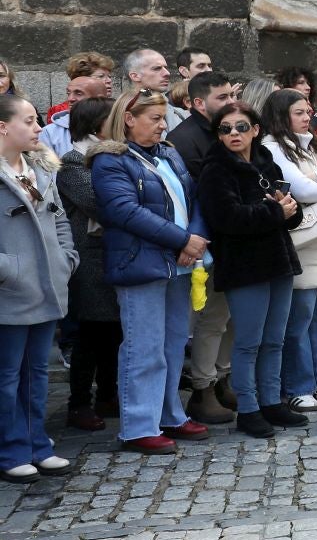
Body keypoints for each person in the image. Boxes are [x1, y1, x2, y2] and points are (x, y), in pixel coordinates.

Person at [91, 90, 208, 455]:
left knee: (173, 343)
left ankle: (170, 413)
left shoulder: (167, 153)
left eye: (163, 118)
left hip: (179, 262)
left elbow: (192, 197)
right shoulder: (110, 160)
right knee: (144, 347)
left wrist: (196, 238)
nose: (163, 124)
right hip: (140, 263)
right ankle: (138, 425)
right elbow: (125, 212)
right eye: (155, 118)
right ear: (129, 118)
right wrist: (182, 240)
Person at [197, 101, 304, 438]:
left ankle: (271, 401)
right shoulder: (215, 170)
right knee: (248, 343)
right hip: (244, 265)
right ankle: (249, 408)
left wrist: (290, 210)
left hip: (278, 260)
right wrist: (276, 213)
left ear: (255, 130)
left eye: (241, 127)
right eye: (225, 129)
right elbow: (227, 219)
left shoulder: (265, 162)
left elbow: (287, 211)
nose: (233, 134)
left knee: (274, 339)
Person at [0, 96, 78, 485]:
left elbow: (60, 219)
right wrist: (8, 270)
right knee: (8, 375)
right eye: (29, 121)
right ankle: (11, 449)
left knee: (38, 372)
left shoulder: (41, 169)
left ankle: (37, 443)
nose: (37, 128)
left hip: (47, 285)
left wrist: (66, 260)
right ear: (3, 127)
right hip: (11, 291)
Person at [260, 88, 317, 413]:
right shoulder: (272, 147)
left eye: (307, 111)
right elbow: (300, 188)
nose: (306, 117)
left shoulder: (312, 143)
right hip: (304, 241)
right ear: (282, 115)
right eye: (299, 112)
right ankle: (297, 386)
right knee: (300, 319)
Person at [171, 70, 242, 424]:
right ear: (198, 103)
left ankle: (222, 378)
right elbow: (203, 193)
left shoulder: (225, 130)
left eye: (232, 95)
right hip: (205, 241)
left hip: (231, 239)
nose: (231, 103)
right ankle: (202, 389)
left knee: (228, 317)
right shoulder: (184, 139)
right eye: (222, 98)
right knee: (211, 319)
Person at [55, 98, 119, 431]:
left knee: (113, 331)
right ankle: (79, 402)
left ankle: (108, 394)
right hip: (90, 257)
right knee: (90, 333)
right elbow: (100, 203)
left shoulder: (111, 156)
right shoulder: (73, 164)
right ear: (97, 124)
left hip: (110, 253)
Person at [40, 53, 115, 156]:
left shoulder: (119, 122)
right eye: (101, 76)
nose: (108, 81)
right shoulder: (50, 133)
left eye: (109, 76)